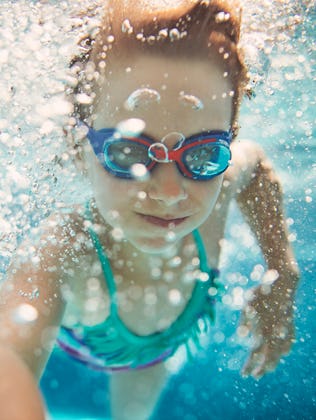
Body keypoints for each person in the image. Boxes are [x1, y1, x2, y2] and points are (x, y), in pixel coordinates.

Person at [0, 0, 299, 419]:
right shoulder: (68, 246)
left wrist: (283, 274)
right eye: (127, 151)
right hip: (101, 338)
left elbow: (257, 169)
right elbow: (9, 355)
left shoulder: (223, 185)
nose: (170, 191)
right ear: (79, 146)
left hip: (159, 349)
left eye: (204, 154)